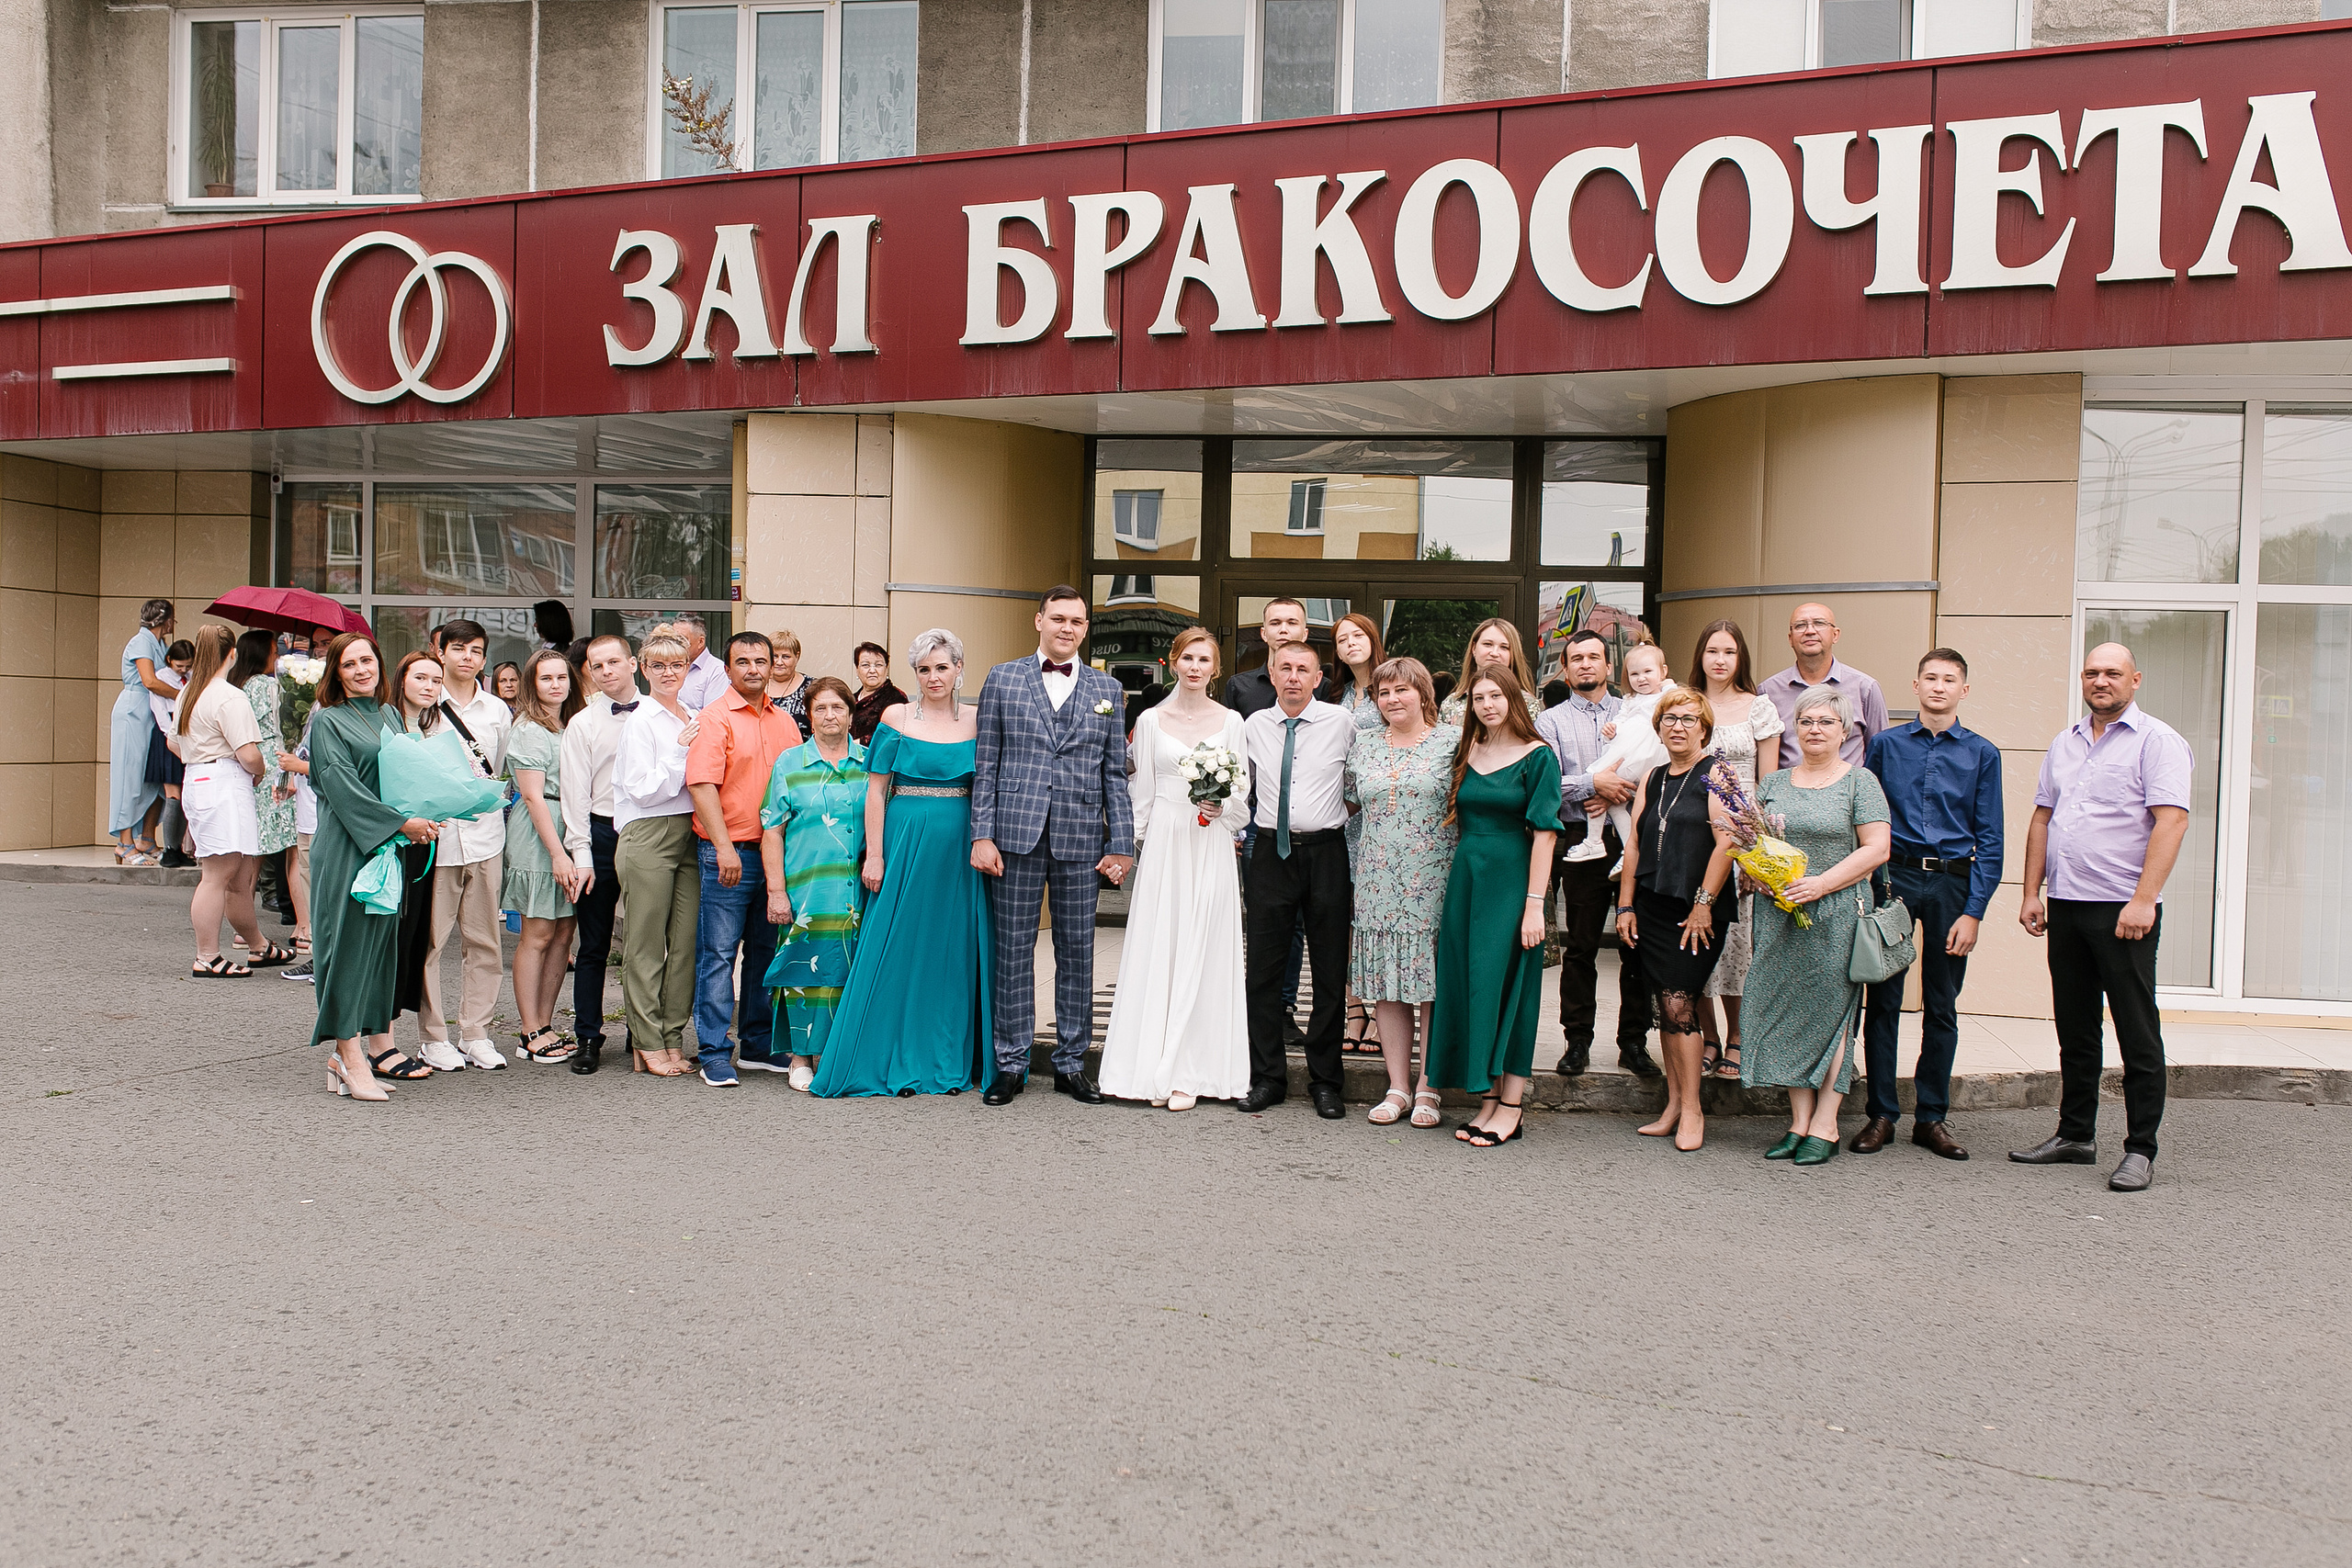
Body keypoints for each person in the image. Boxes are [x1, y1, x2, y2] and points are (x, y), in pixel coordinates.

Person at [2011, 643, 2192, 1194]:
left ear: (2135, 680)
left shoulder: (2158, 742)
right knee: (2076, 1027)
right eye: (2092, 672)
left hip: (2123, 911)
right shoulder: (2065, 744)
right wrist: (2030, 892)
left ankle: (2140, 1149)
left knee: (2137, 1031)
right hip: (2066, 904)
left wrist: (2144, 900)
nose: (2101, 680)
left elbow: (2171, 822)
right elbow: (2043, 818)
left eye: (2113, 673)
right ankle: (2075, 1135)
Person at [970, 587, 1136, 1107]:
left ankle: (1071, 1062)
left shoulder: (1108, 688)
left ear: (1087, 629)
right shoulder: (1003, 677)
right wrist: (981, 833)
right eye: (1059, 618)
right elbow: (987, 762)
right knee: (1013, 951)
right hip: (1015, 833)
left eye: (1078, 621)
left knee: (1078, 952)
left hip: (1080, 836)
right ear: (1038, 620)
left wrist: (1122, 842)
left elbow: (1115, 775)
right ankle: (1010, 1064)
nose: (1068, 628)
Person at [813, 629, 994, 1098]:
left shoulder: (978, 719)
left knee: (951, 951)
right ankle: (883, 1052)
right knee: (895, 944)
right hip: (905, 837)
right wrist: (874, 854)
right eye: (924, 669)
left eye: (942, 667)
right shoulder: (895, 715)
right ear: (914, 674)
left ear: (959, 669)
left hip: (959, 846)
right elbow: (876, 790)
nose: (934, 677)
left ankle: (946, 1057)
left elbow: (989, 788)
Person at [1855, 649, 2003, 1161]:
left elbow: (1991, 837)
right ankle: (1881, 1114)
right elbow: (1865, 819)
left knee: (1942, 1004)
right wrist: (1869, 887)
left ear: (1964, 690)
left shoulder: (1982, 754)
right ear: (1915, 686)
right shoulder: (1886, 746)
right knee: (1884, 999)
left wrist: (1975, 911)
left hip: (1951, 888)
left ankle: (1933, 1118)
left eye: (1950, 680)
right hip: (1893, 880)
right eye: (1930, 678)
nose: (1939, 687)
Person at [1098, 626, 1251, 1111]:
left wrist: (1218, 810)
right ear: (1172, 662)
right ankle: (1145, 1065)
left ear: (1216, 668)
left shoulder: (1231, 721)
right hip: (1166, 841)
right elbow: (1139, 798)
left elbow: (1242, 798)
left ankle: (1195, 1070)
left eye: (1204, 659)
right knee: (1159, 945)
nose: (1195, 667)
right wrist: (1127, 851)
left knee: (1205, 949)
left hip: (1208, 842)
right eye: (1187, 657)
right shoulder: (1148, 721)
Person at [1743, 689, 1893, 1166]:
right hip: (1780, 914)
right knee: (1788, 1013)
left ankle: (1826, 1122)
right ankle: (1798, 1121)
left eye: (1826, 722)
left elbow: (1877, 849)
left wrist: (1820, 884)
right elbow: (1753, 847)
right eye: (1806, 720)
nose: (1814, 730)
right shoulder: (1774, 783)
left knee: (1832, 1017)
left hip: (1836, 916)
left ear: (1844, 731)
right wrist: (1761, 879)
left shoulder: (1860, 782)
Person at [1425, 667, 1561, 1147]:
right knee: (1474, 985)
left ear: (1514, 700)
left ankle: (1511, 1106)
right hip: (1466, 879)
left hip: (1512, 881)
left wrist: (1533, 906)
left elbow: (1545, 834)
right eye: (1478, 697)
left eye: (1495, 696)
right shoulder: (1470, 750)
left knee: (1513, 988)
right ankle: (1487, 1097)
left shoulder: (1539, 756)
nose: (1486, 704)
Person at [307, 632, 440, 1102]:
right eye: (350, 664)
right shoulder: (328, 722)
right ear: (335, 674)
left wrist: (441, 804)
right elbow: (342, 790)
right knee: (346, 949)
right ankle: (349, 1056)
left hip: (389, 847)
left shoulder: (387, 714)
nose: (362, 670)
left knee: (378, 952)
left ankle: (354, 1053)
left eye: (368, 660)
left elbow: (404, 777)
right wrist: (403, 823)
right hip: (348, 847)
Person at [1613, 688, 1739, 1153]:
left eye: (1689, 719)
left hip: (1696, 913)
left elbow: (1727, 843)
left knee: (1679, 1003)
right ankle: (1672, 1103)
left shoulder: (1717, 773)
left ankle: (1693, 1110)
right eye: (1670, 718)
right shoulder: (1654, 776)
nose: (1678, 726)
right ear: (1659, 726)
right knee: (1663, 1006)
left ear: (1704, 727)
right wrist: (1625, 905)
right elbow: (1634, 846)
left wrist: (1704, 902)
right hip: (1652, 907)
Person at [1238, 640, 1355, 1118]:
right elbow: (1235, 786)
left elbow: (1361, 784)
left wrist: (1334, 818)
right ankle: (1267, 1077)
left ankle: (1326, 1080)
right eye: (1283, 668)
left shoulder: (1341, 723)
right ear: (1271, 671)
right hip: (1269, 852)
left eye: (1302, 669)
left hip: (1326, 853)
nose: (1292, 677)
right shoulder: (1253, 726)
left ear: (1317, 677)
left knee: (1328, 970)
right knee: (1262, 970)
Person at [1533, 629, 1657, 1079]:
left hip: (1635, 840)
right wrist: (1594, 785)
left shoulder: (1638, 710)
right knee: (1582, 945)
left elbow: (1660, 762)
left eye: (1594, 657)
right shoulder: (1551, 722)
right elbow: (1546, 785)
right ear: (1564, 669)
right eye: (1576, 659)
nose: (1585, 665)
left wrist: (1618, 790)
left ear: (1609, 666)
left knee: (1636, 945)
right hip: (1579, 840)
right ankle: (1577, 1041)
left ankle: (1634, 1043)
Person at [1343, 657, 1460, 1127]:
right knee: (1388, 987)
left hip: (1435, 878)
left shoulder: (1452, 742)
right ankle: (1398, 1086)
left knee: (1432, 987)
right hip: (1375, 879)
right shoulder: (1365, 743)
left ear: (1424, 693)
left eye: (1402, 691)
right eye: (1383, 693)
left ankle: (1430, 1087)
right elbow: (1348, 801)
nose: (1392, 700)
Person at [684, 632, 802, 1086]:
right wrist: (723, 847)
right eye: (743, 661)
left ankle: (756, 1044)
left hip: (776, 857)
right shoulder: (715, 719)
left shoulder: (786, 723)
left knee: (764, 952)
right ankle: (714, 1052)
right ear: (728, 668)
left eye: (761, 661)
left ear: (773, 665)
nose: (753, 669)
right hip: (729, 855)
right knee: (717, 953)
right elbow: (701, 786)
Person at [759, 676, 867, 1091]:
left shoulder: (870, 763)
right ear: (809, 713)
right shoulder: (790, 763)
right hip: (806, 889)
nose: (829, 716)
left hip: (857, 891)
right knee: (803, 971)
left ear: (851, 711)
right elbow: (772, 831)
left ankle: (838, 1053)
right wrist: (776, 891)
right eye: (820, 708)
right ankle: (799, 1057)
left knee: (847, 970)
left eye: (837, 707)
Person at [415, 620, 513, 1074]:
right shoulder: (424, 705)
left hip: (487, 838)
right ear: (440, 652)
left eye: (476, 650)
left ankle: (476, 1032)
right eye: (458, 649)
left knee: (485, 942)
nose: (468, 658)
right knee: (431, 943)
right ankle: (432, 1037)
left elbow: (503, 770)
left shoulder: (497, 710)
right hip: (437, 839)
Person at [1688, 619, 1782, 1081]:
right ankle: (1706, 1037)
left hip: (1742, 835)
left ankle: (1738, 1038)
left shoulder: (1759, 708)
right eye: (1711, 651)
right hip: (1691, 832)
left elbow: (1767, 785)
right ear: (1700, 657)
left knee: (1737, 945)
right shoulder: (1686, 703)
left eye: (1728, 651)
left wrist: (1758, 851)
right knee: (1692, 937)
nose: (1720, 660)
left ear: (1740, 657)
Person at [174, 626, 295, 976]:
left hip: (199, 777)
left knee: (239, 875)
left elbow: (174, 743)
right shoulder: (229, 696)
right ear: (232, 654)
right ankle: (207, 955)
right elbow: (250, 754)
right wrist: (258, 771)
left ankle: (257, 945)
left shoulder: (188, 694)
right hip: (226, 782)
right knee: (217, 874)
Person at [613, 628, 702, 1077]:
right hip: (648, 833)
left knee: (685, 944)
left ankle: (672, 1036)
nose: (669, 673)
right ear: (644, 670)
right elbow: (643, 790)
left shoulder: (693, 712)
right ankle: (647, 1041)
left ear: (688, 668)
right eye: (659, 665)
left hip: (692, 830)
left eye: (677, 664)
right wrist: (682, 754)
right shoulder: (640, 720)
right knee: (646, 946)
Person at [559, 633, 642, 1076]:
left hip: (649, 834)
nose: (606, 671)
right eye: (597, 666)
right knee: (593, 945)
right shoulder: (583, 723)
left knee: (647, 944)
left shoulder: (661, 714)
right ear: (589, 673)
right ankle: (588, 1036)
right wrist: (582, 854)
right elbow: (574, 794)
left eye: (614, 662)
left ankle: (641, 1031)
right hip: (600, 831)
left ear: (633, 664)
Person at [503, 649, 586, 1066]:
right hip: (542, 833)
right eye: (545, 678)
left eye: (561, 677)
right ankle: (529, 1028)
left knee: (563, 933)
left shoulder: (572, 723)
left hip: (573, 828)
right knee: (536, 934)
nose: (555, 684)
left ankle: (547, 1023)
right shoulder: (530, 729)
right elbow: (533, 796)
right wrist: (558, 853)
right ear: (532, 685)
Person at [1328, 611, 1387, 1053]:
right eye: (1342, 638)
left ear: (1372, 639)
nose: (1350, 643)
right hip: (1342, 815)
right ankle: (1354, 1009)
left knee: (1380, 916)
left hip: (1383, 815)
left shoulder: (1392, 683)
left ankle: (1384, 1010)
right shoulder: (1335, 694)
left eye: (1357, 635)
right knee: (1347, 917)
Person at [1561, 640, 1674, 865]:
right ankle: (1625, 848)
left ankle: (1602, 843)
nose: (1641, 679)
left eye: (1648, 672)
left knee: (1603, 779)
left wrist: (1605, 787)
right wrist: (1612, 731)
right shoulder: (1630, 700)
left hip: (1646, 753)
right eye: (1635, 674)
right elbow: (1622, 720)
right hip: (1628, 750)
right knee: (1607, 793)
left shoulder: (1667, 695)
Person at [1759, 602, 1888, 768]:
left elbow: (1880, 755)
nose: (1810, 631)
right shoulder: (1768, 692)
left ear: (1835, 635)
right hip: (1788, 791)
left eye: (1819, 623)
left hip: (1848, 792)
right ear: (1790, 638)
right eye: (1800, 626)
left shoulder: (1865, 688)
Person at [230, 630, 299, 931]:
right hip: (274, 763)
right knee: (291, 845)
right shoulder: (270, 686)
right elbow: (283, 723)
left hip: (247, 762)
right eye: (274, 650)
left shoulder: (236, 687)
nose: (277, 656)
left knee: (251, 853)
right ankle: (303, 926)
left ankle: (243, 931)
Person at [110, 599, 177, 865]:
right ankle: (124, 842)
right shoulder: (141, 642)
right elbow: (149, 680)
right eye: (173, 618)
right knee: (130, 775)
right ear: (164, 620)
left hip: (152, 713)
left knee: (153, 776)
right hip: (133, 712)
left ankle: (146, 838)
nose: (175, 623)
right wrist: (181, 695)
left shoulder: (160, 644)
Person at [1223, 597, 1335, 716]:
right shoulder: (1239, 686)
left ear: (1305, 634)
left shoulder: (1324, 687)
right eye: (1275, 623)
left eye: (1292, 623)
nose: (1283, 630)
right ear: (1263, 634)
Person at [1437, 616, 1543, 727]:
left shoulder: (1526, 703)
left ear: (1513, 655)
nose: (1495, 653)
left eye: (1504, 647)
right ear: (1474, 648)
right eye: (1488, 644)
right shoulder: (1451, 703)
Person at [847, 641, 906, 745]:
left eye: (878, 665)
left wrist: (853, 744)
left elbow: (892, 734)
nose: (872, 670)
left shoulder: (896, 698)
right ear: (857, 669)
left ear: (886, 669)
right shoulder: (850, 699)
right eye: (866, 665)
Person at [673, 612, 729, 713]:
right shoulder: (670, 668)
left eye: (682, 640)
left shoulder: (717, 671)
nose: (675, 645)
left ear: (700, 642)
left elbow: (712, 716)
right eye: (673, 640)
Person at [765, 629, 813, 734]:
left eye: (786, 657)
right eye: (774, 656)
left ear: (797, 656)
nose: (779, 662)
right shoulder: (756, 685)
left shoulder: (813, 688)